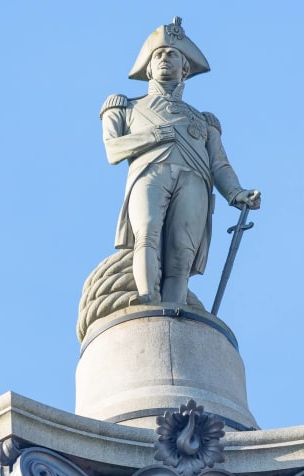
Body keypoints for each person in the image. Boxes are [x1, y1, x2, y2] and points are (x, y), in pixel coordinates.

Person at [101, 17, 260, 307]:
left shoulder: (204, 120)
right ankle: (148, 302)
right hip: (149, 172)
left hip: (195, 180)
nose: (164, 58)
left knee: (182, 253)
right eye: (158, 54)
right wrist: (155, 136)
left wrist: (236, 193)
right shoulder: (126, 107)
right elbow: (113, 150)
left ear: (185, 68)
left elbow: (219, 164)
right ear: (148, 67)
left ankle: (175, 311)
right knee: (146, 234)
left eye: (172, 54)